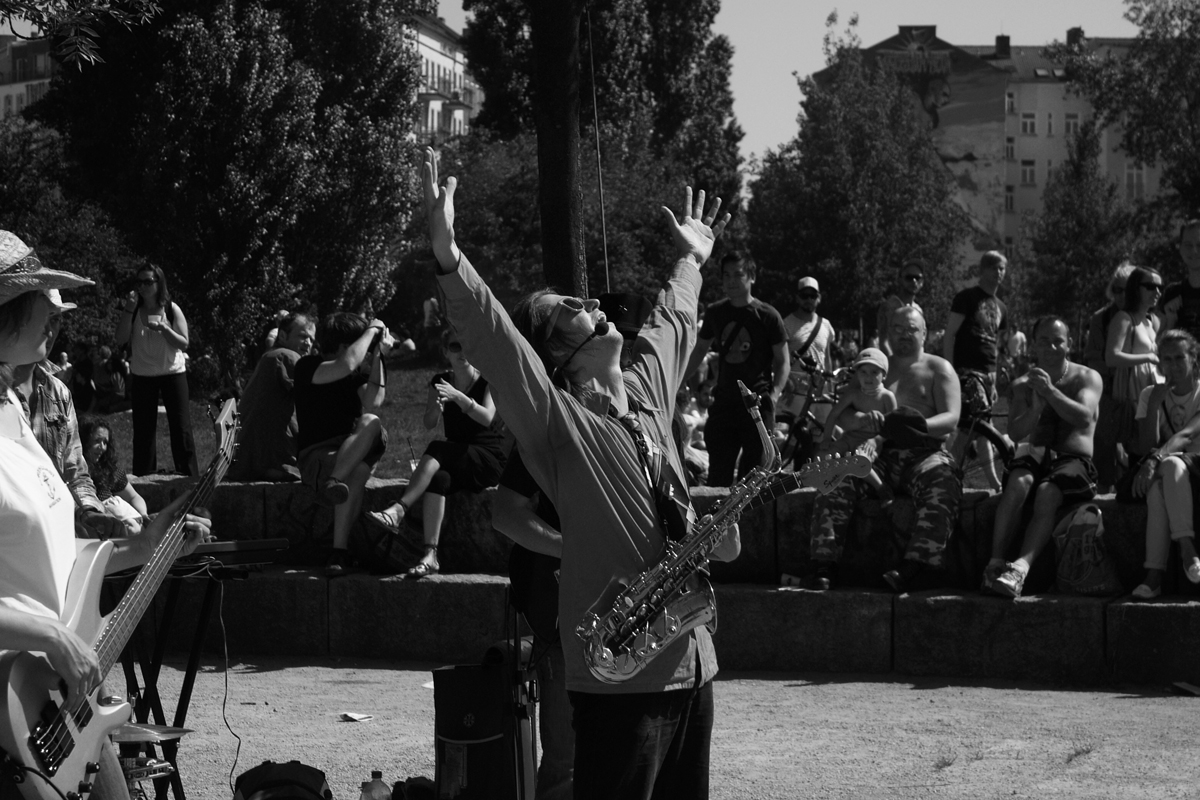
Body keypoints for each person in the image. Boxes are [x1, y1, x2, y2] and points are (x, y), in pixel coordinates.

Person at [423, 147, 737, 799]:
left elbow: (674, 318)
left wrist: (692, 258)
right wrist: (450, 256)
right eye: (575, 305)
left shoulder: (648, 385)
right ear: (559, 354)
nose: (593, 300)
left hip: (691, 664)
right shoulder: (557, 419)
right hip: (621, 678)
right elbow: (497, 343)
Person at [0, 231, 213, 800]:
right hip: (13, 714)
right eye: (39, 298)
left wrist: (148, 545)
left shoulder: (14, 418)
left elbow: (58, 557)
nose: (55, 313)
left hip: (56, 701)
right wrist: (51, 634)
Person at [808, 306, 962, 593]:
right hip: (876, 455)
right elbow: (844, 411)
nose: (904, 334)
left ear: (925, 333)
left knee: (944, 480)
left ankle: (916, 565)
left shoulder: (939, 368)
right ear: (888, 332)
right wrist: (863, 420)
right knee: (835, 478)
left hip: (923, 453)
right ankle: (824, 562)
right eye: (898, 329)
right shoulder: (874, 367)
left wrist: (913, 426)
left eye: (911, 329)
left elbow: (952, 417)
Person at [367, 330, 505, 579]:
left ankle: (399, 509)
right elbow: (429, 423)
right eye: (455, 346)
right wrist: (437, 407)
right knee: (439, 479)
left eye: (466, 345)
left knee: (437, 448)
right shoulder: (440, 381)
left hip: (487, 458)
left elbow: (487, 418)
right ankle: (430, 556)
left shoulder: (489, 379)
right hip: (456, 457)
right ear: (445, 352)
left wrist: (459, 398)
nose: (462, 352)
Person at [983, 317, 1101, 598]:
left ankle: (1020, 570)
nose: (1051, 346)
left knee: (1048, 491)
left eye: (1058, 340)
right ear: (1033, 345)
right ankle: (994, 565)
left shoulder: (1087, 377)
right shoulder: (1022, 385)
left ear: (1069, 344)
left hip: (1075, 459)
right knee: (1018, 482)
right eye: (1044, 341)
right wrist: (1035, 409)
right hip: (1037, 455)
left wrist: (1050, 391)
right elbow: (1014, 431)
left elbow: (1083, 418)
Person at [8, 288, 123, 540]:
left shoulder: (58, 392)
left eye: (56, 318)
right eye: (42, 318)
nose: (49, 330)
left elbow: (76, 472)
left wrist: (89, 511)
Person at [294, 312, 391, 576]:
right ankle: (339, 551)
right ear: (343, 346)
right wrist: (371, 331)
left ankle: (334, 485)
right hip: (317, 457)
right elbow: (346, 365)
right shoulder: (307, 366)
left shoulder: (352, 375)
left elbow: (374, 399)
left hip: (345, 455)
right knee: (358, 472)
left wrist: (379, 354)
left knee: (370, 420)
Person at [687, 251, 788, 486]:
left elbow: (783, 362)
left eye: (738, 274)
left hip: (757, 405)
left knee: (754, 478)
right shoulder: (715, 312)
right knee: (718, 477)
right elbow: (699, 351)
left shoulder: (768, 315)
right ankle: (717, 523)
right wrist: (677, 381)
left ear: (752, 277)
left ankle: (750, 523)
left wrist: (774, 395)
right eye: (726, 275)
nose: (731, 280)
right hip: (724, 403)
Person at [1127, 330, 1200, 599]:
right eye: (1166, 359)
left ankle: (1171, 561)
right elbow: (1147, 445)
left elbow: (1188, 435)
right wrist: (1155, 405)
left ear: (1193, 359)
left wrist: (1155, 460)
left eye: (1179, 357)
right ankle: (1166, 567)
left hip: (1196, 467)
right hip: (1171, 473)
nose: (1173, 365)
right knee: (1160, 486)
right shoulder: (1150, 394)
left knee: (1167, 466)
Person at [115, 264, 199, 477]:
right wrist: (129, 309)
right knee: (143, 433)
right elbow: (120, 340)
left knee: (181, 429)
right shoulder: (133, 311)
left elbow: (184, 343)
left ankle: (189, 477)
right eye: (139, 282)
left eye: (148, 281)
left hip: (173, 374)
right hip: (143, 376)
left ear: (158, 283)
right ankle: (145, 479)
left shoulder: (171, 309)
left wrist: (164, 329)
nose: (142, 286)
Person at [944, 250, 1009, 490]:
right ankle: (993, 482)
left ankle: (947, 473)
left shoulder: (1001, 306)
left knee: (970, 428)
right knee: (981, 426)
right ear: (982, 270)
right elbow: (950, 334)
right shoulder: (966, 298)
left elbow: (995, 345)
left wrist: (996, 374)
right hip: (966, 371)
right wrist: (949, 371)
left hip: (987, 376)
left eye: (1002, 268)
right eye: (993, 267)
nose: (998, 272)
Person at [226, 312, 316, 483]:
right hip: (271, 462)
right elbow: (313, 404)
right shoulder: (286, 356)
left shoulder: (271, 356)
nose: (308, 343)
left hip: (248, 459)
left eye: (311, 339)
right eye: (303, 336)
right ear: (282, 335)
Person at [820, 347, 898, 503]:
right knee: (824, 456)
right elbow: (834, 414)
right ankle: (827, 485)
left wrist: (877, 440)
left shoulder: (887, 397)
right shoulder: (853, 394)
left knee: (860, 459)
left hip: (870, 441)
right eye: (863, 372)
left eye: (874, 372)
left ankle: (881, 488)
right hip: (849, 437)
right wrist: (827, 437)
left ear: (884, 375)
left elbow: (894, 425)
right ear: (856, 374)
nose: (868, 377)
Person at [1083, 263, 1136, 492]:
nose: (1122, 295)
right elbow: (1091, 357)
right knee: (1103, 455)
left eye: (1127, 289)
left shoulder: (1147, 318)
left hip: (1136, 394)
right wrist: (1114, 366)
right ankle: (1102, 503)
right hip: (1106, 394)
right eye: (1117, 289)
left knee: (1135, 452)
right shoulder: (1101, 318)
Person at [1106, 267, 1163, 468]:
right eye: (1150, 286)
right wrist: (1147, 356)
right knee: (1134, 447)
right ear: (1135, 288)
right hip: (1131, 390)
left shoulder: (1151, 321)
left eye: (1159, 287)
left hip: (1150, 387)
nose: (1157, 292)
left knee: (1152, 444)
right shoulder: (1124, 318)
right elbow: (1111, 357)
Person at [776, 276, 835, 468]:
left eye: (813, 295)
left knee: (819, 434)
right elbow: (780, 358)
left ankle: (812, 474)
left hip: (820, 388)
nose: (809, 299)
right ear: (798, 298)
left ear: (819, 298)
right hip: (796, 389)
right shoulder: (787, 324)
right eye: (804, 295)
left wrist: (830, 386)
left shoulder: (825, 325)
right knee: (792, 436)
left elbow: (827, 357)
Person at [79, 414, 151, 535]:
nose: (102, 447)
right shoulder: (75, 472)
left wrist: (143, 515)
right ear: (84, 440)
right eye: (97, 441)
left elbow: (133, 497)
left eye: (105, 442)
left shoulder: (110, 470)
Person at [1160, 219, 1200, 341]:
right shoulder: (1172, 293)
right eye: (1188, 245)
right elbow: (1157, 347)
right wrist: (1170, 321)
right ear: (1180, 248)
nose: (1194, 251)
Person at [877, 260, 925, 357]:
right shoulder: (889, 307)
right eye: (909, 277)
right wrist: (895, 366)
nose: (914, 281)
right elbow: (883, 342)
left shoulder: (918, 310)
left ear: (922, 282)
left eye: (917, 278)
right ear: (900, 279)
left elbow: (920, 343)